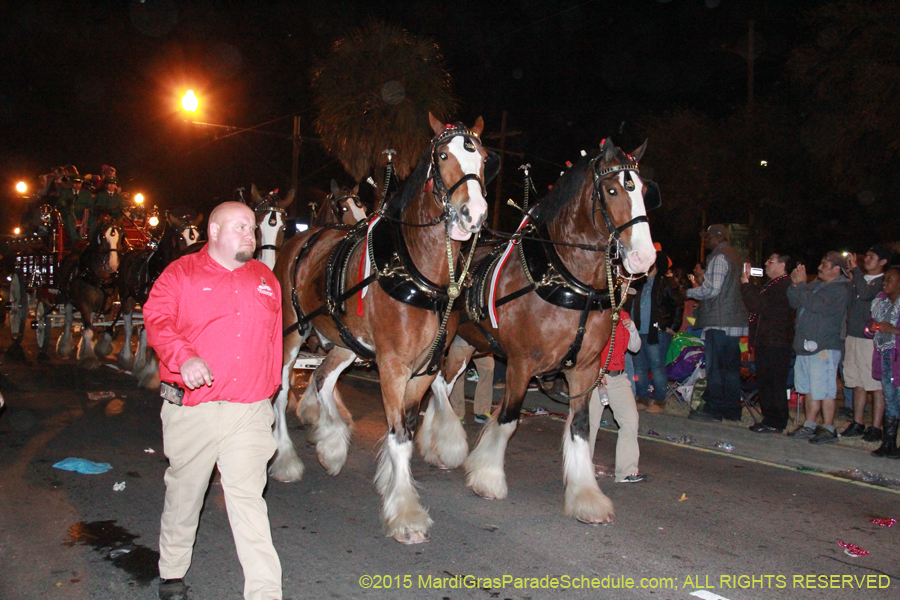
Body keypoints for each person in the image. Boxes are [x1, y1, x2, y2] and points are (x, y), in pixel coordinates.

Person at [144, 202, 283, 600]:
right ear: (214, 231)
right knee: (185, 493)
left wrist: (268, 392)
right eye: (240, 227)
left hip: (248, 410)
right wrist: (183, 357)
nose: (250, 234)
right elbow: (157, 320)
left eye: (252, 228)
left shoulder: (265, 279)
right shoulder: (180, 273)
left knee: (248, 500)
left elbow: (274, 341)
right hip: (194, 409)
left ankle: (265, 592)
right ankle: (172, 572)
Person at [786, 251, 852, 444]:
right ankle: (810, 424)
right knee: (809, 388)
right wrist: (794, 284)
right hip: (806, 346)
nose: (819, 267)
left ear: (836, 269)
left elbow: (816, 305)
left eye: (824, 264)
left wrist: (801, 285)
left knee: (825, 389)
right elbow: (794, 301)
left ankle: (829, 427)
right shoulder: (816, 286)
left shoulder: (839, 289)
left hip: (823, 347)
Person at [686, 224, 749, 422]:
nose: (707, 241)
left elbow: (711, 289)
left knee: (716, 369)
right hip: (733, 321)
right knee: (730, 369)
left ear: (719, 237)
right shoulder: (736, 256)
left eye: (709, 237)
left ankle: (713, 409)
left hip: (719, 321)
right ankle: (731, 409)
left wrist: (687, 292)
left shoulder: (719, 257)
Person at [739, 253, 794, 433]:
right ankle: (771, 419)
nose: (766, 264)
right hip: (768, 340)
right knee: (766, 382)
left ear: (782, 265)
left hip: (775, 342)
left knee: (772, 383)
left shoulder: (782, 285)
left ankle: (775, 420)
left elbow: (757, 305)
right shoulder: (773, 285)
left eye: (771, 261)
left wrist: (746, 284)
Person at [841, 245, 891, 442]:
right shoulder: (859, 279)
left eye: (872, 256)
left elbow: (866, 294)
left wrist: (857, 272)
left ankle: (876, 426)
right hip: (853, 336)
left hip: (870, 340)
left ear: (883, 261)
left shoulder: (884, 281)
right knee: (856, 382)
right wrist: (852, 279)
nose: (867, 259)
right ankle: (858, 422)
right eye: (867, 256)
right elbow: (849, 303)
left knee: (875, 384)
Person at [588, 311, 644, 483]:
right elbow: (585, 345)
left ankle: (626, 471)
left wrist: (632, 330)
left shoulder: (624, 315)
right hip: (597, 375)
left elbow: (634, 348)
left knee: (630, 420)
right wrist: (595, 370)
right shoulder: (596, 313)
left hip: (619, 377)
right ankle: (582, 469)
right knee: (590, 423)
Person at [632, 249, 683, 412]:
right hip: (638, 332)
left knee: (657, 367)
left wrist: (673, 326)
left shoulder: (666, 283)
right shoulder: (638, 283)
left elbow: (678, 304)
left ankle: (659, 401)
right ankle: (642, 398)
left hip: (657, 333)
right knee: (639, 368)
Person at [868, 266, 900, 458]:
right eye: (884, 279)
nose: (885, 283)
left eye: (890, 279)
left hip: (897, 358)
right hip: (886, 357)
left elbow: (891, 330)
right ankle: (889, 442)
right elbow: (868, 329)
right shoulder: (882, 305)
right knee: (891, 400)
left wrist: (893, 330)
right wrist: (872, 328)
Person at [447, 337, 495, 423]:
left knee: (488, 369)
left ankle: (482, 410)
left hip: (482, 338)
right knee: (457, 373)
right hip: (462, 337)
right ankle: (457, 412)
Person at [55, 173, 91, 245]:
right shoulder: (65, 192)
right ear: (72, 183)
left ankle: (91, 239)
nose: (77, 185)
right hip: (70, 213)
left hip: (83, 213)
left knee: (93, 218)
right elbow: (59, 204)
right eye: (75, 183)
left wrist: (85, 212)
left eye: (79, 183)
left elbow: (90, 205)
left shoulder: (86, 193)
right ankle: (75, 240)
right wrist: (66, 203)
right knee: (68, 218)